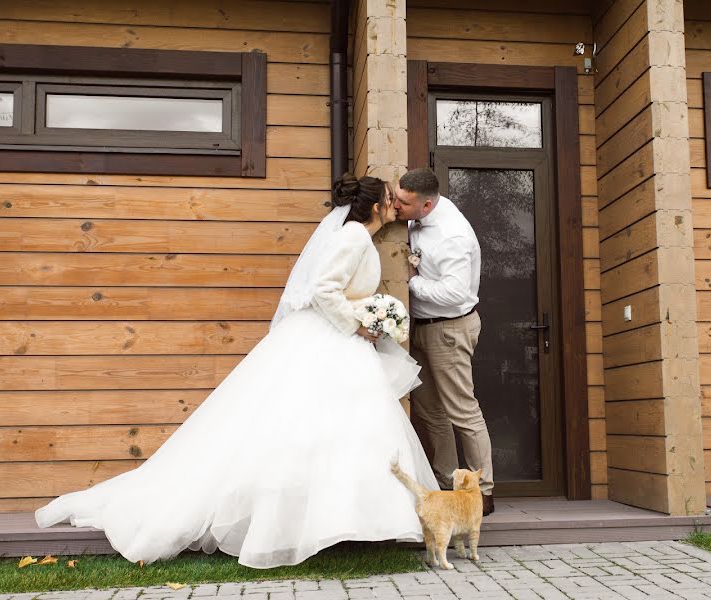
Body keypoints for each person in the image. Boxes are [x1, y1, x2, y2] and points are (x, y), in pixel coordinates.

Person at [35, 173, 439, 569]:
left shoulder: (359, 238)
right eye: (389, 198)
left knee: (340, 432)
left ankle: (342, 520)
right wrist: (358, 322)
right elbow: (323, 289)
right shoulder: (352, 238)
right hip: (330, 340)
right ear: (373, 205)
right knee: (314, 429)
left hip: (340, 342)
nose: (394, 206)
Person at [392, 168, 495, 516]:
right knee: (431, 410)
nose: (396, 205)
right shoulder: (417, 216)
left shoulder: (451, 236)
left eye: (403, 202)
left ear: (427, 204)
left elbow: (455, 293)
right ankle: (446, 482)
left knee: (462, 410)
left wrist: (411, 281)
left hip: (449, 328)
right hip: (421, 325)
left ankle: (483, 493)